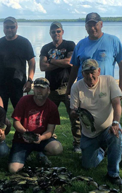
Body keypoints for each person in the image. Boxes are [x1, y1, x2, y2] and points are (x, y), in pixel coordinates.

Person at [66, 12, 122, 169]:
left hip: (107, 88)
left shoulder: (113, 41)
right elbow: (75, 67)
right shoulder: (80, 44)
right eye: (89, 24)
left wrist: (121, 87)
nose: (92, 27)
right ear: (86, 26)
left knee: (114, 122)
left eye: (95, 23)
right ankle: (95, 147)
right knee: (89, 119)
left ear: (101, 24)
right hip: (86, 89)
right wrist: (69, 87)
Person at [70, 59, 122, 185]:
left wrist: (115, 123)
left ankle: (113, 174)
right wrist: (74, 114)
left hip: (107, 128)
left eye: (92, 72)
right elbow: (73, 110)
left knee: (117, 135)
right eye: (86, 73)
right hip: (88, 134)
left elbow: (117, 104)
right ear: (82, 73)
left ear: (98, 71)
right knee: (88, 166)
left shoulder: (109, 80)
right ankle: (101, 151)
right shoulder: (76, 86)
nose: (90, 76)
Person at [39, 21, 80, 151]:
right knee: (48, 116)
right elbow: (42, 66)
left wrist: (51, 61)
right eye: (53, 31)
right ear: (50, 33)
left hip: (67, 86)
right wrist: (59, 63)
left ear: (62, 32)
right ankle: (50, 139)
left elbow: (69, 62)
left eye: (58, 31)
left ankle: (78, 142)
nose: (55, 33)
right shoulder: (46, 48)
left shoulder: (69, 45)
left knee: (74, 115)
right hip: (50, 87)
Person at [9, 78, 63, 173]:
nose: (39, 90)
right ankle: (26, 154)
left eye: (42, 88)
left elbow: (50, 131)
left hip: (41, 139)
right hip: (22, 139)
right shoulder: (24, 100)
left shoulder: (52, 107)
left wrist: (41, 138)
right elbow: (16, 122)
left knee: (57, 148)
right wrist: (25, 133)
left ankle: (41, 154)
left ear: (48, 91)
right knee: (13, 170)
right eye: (37, 87)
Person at [0, 16, 35, 112]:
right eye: (7, 27)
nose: (9, 29)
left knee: (20, 114)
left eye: (12, 27)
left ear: (16, 27)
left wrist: (30, 80)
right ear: (3, 28)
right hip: (0, 85)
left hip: (19, 85)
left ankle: (20, 128)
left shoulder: (24, 42)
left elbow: (32, 62)